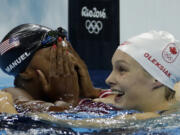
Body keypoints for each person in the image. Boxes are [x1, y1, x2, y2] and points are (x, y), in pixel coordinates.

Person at [37, 31, 180, 127]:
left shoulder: (147, 121)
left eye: (122, 69)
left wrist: (13, 109)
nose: (108, 79)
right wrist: (92, 93)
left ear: (157, 79)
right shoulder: (173, 92)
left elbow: (64, 122)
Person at [0, 24, 101, 113]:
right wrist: (67, 100)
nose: (71, 60)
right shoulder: (11, 96)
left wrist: (91, 94)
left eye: (68, 52)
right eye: (57, 57)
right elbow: (58, 119)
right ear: (25, 72)